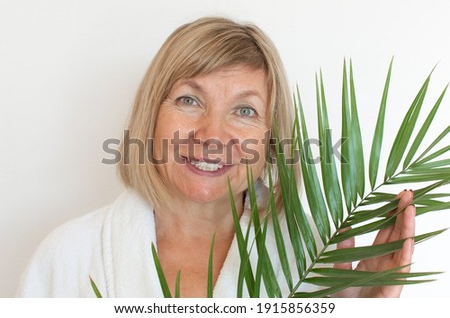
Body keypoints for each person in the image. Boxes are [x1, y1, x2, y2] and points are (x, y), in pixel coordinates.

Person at [17, 17, 415, 298]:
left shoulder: (317, 258)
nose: (212, 136)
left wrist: (369, 308)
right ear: (151, 116)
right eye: (189, 100)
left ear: (271, 138)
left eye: (245, 111)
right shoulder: (68, 256)